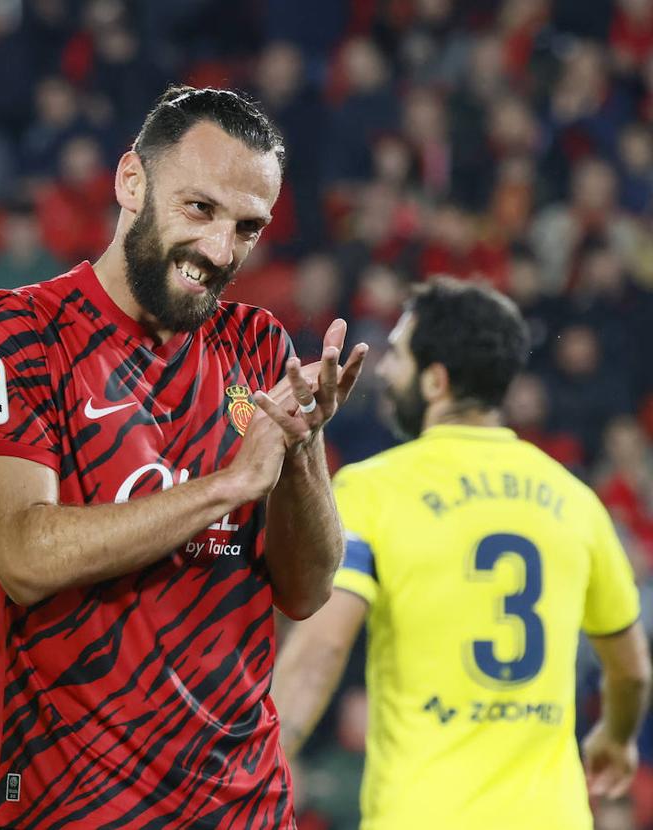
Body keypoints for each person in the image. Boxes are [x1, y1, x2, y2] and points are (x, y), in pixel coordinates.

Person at [0, 85, 368, 829]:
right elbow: (24, 554)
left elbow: (306, 590)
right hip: (65, 803)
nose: (219, 250)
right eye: (200, 209)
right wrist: (229, 484)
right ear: (130, 182)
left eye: (247, 227)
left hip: (241, 805)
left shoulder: (258, 347)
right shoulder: (20, 332)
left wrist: (300, 453)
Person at [272, 278, 652, 829]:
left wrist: (254, 769)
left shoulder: (374, 490)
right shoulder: (574, 500)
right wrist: (615, 739)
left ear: (435, 379)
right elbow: (632, 671)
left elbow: (319, 655)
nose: (382, 370)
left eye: (398, 355)